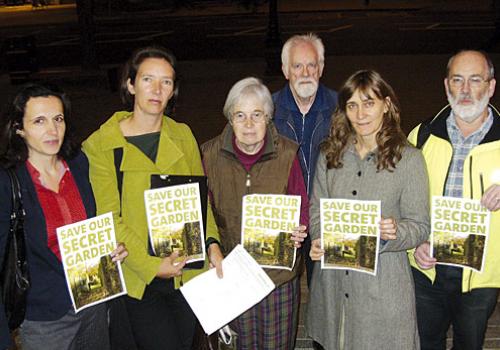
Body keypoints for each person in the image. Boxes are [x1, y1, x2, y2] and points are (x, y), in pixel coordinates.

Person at [82, 46, 223, 350]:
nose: (157, 90)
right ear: (130, 84)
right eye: (148, 79)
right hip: (140, 277)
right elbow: (108, 219)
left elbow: (200, 199)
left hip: (187, 271)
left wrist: (212, 243)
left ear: (174, 91)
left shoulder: (182, 134)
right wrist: (151, 266)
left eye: (167, 82)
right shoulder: (102, 145)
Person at [306, 70, 430, 350]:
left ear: (386, 104)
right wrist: (318, 237)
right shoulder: (330, 155)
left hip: (383, 290)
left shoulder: (409, 160)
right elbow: (318, 209)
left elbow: (421, 225)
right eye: (352, 105)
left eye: (369, 103)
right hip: (334, 288)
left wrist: (393, 232)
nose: (361, 114)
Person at [0, 82, 128, 350]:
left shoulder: (80, 164)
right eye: (39, 121)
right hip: (45, 317)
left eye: (58, 119)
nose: (52, 130)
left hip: (93, 298)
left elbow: (93, 225)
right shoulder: (8, 183)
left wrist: (112, 248)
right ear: (19, 128)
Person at [201, 77, 308, 350]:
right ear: (230, 119)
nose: (249, 124)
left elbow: (301, 206)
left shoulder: (287, 153)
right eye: (240, 115)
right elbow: (204, 210)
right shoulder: (210, 155)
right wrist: (212, 247)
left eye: (256, 115)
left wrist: (300, 229)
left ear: (268, 118)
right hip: (234, 271)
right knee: (241, 345)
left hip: (278, 275)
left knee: (278, 345)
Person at [409, 50, 500, 350]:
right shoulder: (420, 137)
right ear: (446, 85)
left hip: (480, 276)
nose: (465, 90)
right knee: (426, 343)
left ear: (491, 86)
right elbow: (398, 200)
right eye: (458, 80)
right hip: (427, 268)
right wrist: (414, 244)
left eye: (475, 80)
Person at [272, 33, 337, 287]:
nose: (305, 72)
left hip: (325, 218)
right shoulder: (268, 109)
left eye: (312, 65)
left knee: (325, 295)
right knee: (279, 292)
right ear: (285, 70)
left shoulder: (341, 107)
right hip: (283, 219)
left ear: (321, 68)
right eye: (297, 66)